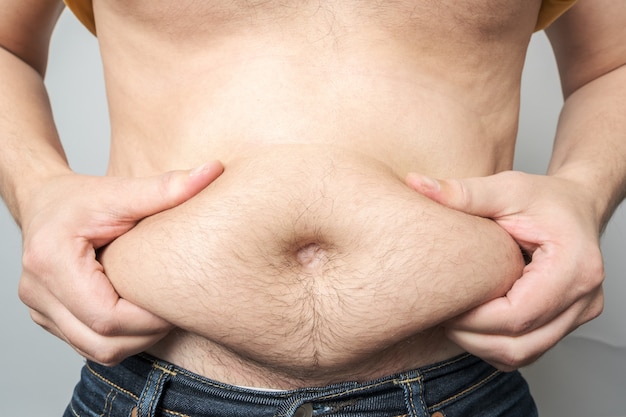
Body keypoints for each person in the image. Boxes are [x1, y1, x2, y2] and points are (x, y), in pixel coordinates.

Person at [1, 0, 624, 415]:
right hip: (149, 385)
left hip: (459, 390)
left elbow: (612, 63)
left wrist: (584, 191)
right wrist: (38, 190)